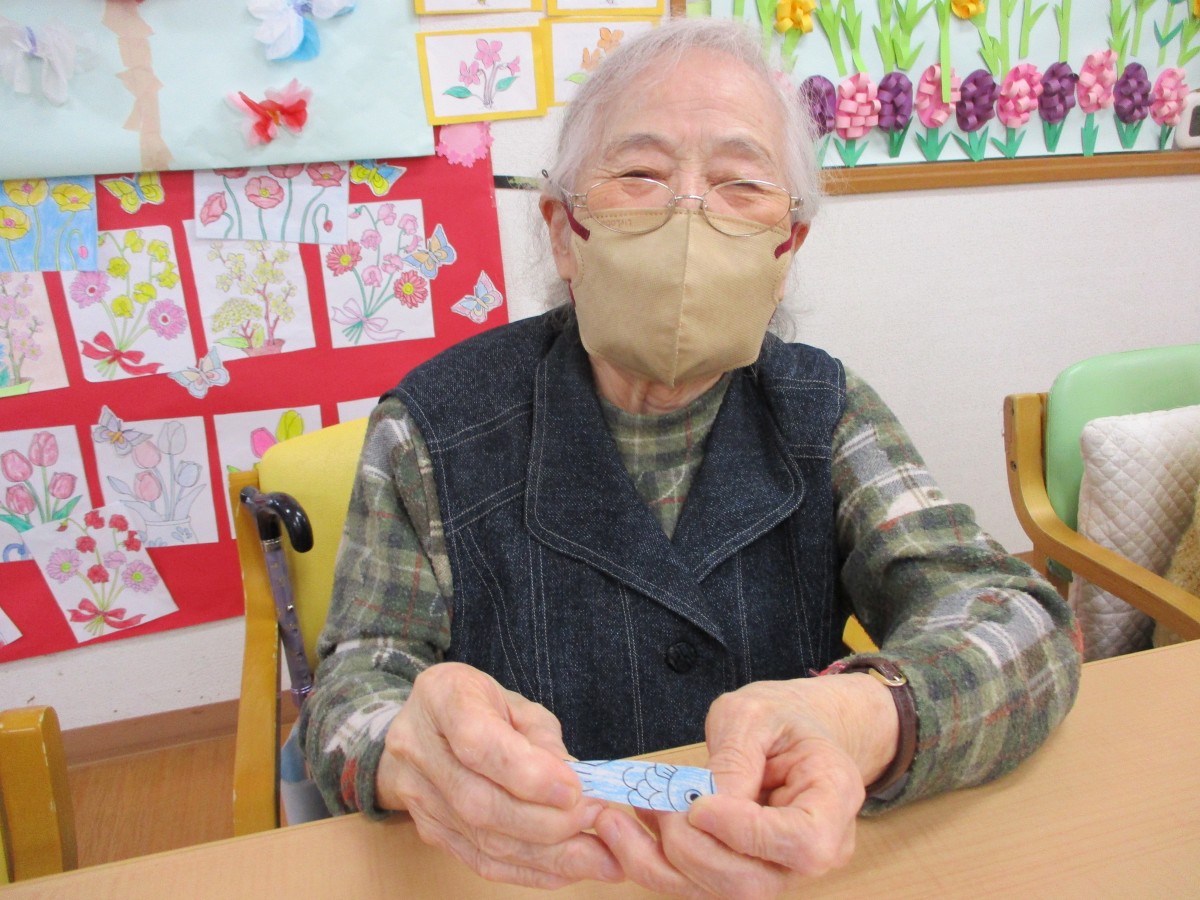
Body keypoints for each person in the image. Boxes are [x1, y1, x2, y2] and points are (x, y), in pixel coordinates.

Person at [300, 17, 1081, 898]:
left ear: (786, 249)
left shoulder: (823, 411)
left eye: (741, 185)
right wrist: (408, 749)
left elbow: (1020, 620)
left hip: (784, 870)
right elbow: (353, 686)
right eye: (640, 175)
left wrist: (863, 716)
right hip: (531, 876)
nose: (689, 218)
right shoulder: (432, 428)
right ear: (563, 230)